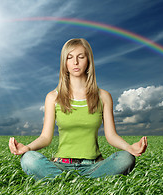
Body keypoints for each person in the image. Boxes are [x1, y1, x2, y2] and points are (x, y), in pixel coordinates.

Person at [9, 38, 147, 180]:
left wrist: (129, 148)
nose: (75, 62)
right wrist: (27, 148)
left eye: (81, 57)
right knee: (29, 159)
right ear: (65, 63)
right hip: (61, 165)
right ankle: (84, 183)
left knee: (126, 158)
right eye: (70, 57)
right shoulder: (52, 97)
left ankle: (65, 183)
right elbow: (45, 137)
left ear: (88, 61)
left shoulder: (104, 97)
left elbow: (111, 136)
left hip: (94, 166)